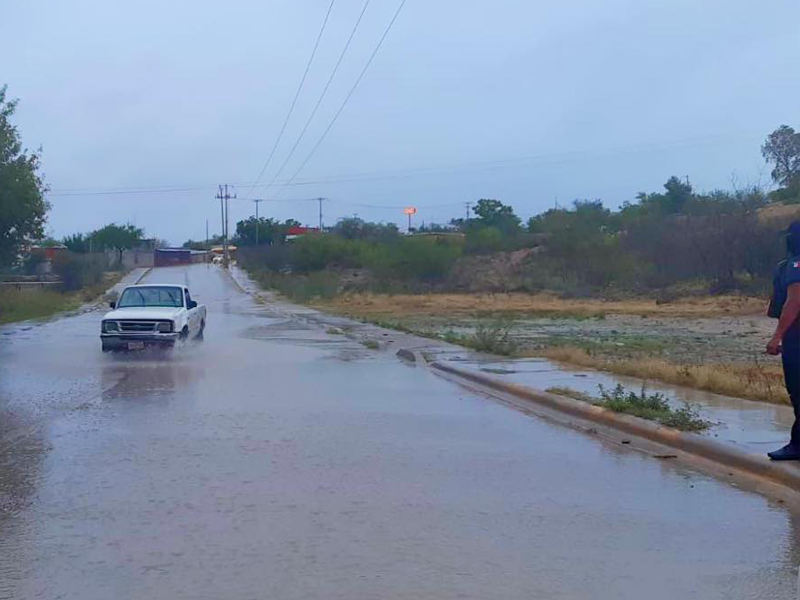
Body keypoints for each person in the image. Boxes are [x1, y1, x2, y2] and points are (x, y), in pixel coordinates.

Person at [766, 220, 800, 460]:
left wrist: (777, 336)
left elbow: (795, 301)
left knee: (798, 391)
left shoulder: (796, 265)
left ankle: (798, 446)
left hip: (797, 338)